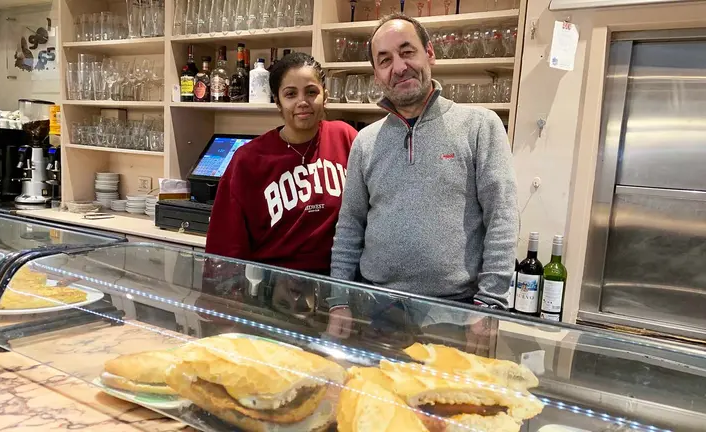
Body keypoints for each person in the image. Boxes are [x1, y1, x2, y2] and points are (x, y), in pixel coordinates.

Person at [326, 14, 519, 341]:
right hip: (375, 308)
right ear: (376, 74)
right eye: (384, 60)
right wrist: (339, 300)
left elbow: (502, 216)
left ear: (429, 53)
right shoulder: (366, 141)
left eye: (407, 52)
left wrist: (490, 304)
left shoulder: (479, 126)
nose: (399, 67)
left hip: (456, 312)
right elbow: (350, 225)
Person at [205, 52, 358, 275]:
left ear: (325, 96)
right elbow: (225, 243)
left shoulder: (346, 138)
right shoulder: (248, 160)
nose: (302, 102)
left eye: (312, 92)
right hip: (273, 287)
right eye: (290, 94)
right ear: (277, 101)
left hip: (337, 282)